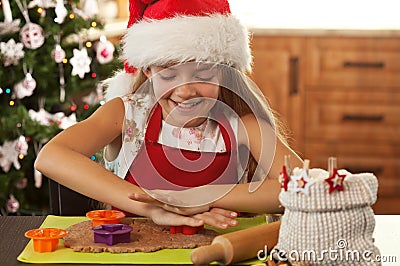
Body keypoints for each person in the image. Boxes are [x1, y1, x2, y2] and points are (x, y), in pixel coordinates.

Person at [35, 0, 302, 229]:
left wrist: (203, 197)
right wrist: (153, 208)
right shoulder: (128, 113)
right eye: (169, 73)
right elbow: (50, 156)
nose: (184, 90)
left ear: (225, 72)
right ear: (148, 71)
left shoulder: (242, 126)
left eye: (203, 73)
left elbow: (302, 187)